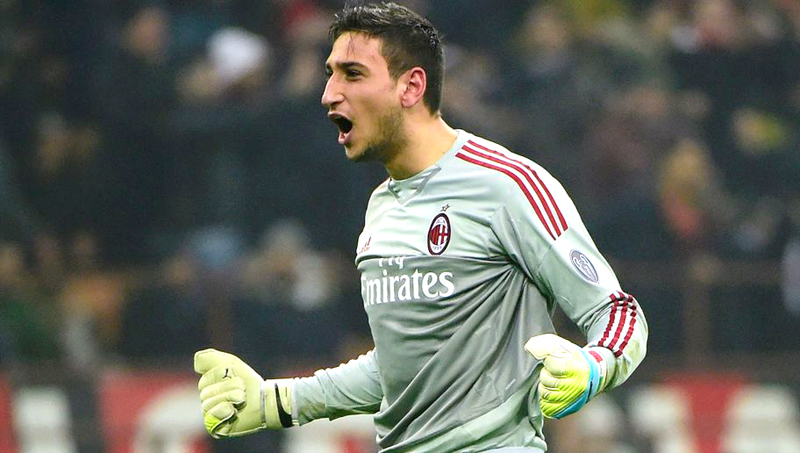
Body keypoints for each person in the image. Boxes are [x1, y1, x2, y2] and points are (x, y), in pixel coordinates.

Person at [193, 3, 648, 452]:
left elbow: (618, 313)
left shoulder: (508, 185)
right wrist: (276, 402)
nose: (329, 93)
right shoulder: (380, 210)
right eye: (330, 73)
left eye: (352, 74)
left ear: (411, 86)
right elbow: (403, 370)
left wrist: (591, 368)